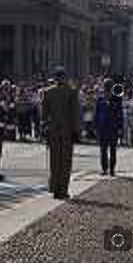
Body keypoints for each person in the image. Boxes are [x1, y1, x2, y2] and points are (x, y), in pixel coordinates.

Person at [42, 67, 80, 199]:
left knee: (54, 160)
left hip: (53, 129)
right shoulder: (71, 92)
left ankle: (54, 187)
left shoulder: (47, 92)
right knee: (65, 162)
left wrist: (44, 129)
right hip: (66, 130)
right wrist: (76, 130)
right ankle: (62, 190)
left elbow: (44, 115)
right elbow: (75, 113)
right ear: (64, 77)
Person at [94, 79, 123, 175]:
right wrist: (96, 126)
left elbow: (120, 114)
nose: (107, 88)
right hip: (102, 128)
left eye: (109, 86)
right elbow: (96, 114)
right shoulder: (100, 99)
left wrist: (120, 127)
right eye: (106, 86)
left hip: (113, 127)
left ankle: (112, 169)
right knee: (103, 150)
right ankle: (104, 168)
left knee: (112, 150)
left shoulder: (117, 99)